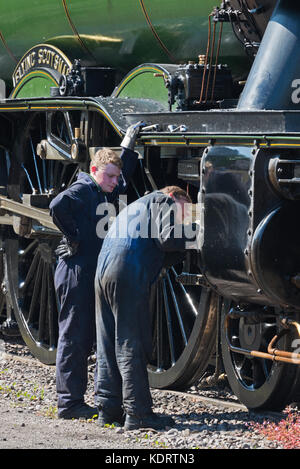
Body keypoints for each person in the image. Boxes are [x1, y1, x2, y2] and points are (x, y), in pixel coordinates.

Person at [49, 122, 143, 420]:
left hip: (86, 269)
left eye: (116, 177)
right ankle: (68, 403)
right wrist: (73, 236)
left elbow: (121, 171)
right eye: (110, 176)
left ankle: (74, 399)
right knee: (74, 336)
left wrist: (127, 146)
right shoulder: (85, 188)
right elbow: (57, 205)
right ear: (94, 170)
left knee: (82, 335)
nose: (115, 182)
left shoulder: (101, 188)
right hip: (75, 271)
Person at [94, 186, 199, 430]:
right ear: (175, 197)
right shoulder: (163, 200)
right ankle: (137, 413)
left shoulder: (133, 208)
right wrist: (202, 232)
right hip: (127, 271)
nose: (183, 218)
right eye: (184, 212)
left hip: (103, 271)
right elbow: (168, 238)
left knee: (107, 342)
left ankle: (108, 409)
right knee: (132, 342)